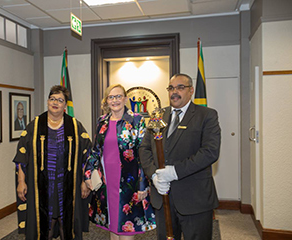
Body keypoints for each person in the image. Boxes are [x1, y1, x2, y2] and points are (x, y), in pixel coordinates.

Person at [139, 73, 221, 240]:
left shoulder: (207, 115)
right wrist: (154, 174)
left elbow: (210, 152)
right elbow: (145, 148)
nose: (174, 92)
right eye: (171, 88)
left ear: (191, 91)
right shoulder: (158, 116)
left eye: (180, 87)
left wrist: (175, 172)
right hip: (163, 197)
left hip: (195, 198)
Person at [13, 85, 92, 240]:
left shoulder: (75, 126)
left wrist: (85, 181)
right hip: (41, 185)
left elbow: (88, 156)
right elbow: (22, 157)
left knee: (65, 222)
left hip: (68, 184)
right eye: (52, 99)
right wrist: (21, 182)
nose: (55, 102)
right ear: (47, 101)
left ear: (65, 105)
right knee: (45, 224)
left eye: (60, 100)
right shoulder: (34, 126)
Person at [84, 84, 156, 240]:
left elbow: (143, 154)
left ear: (125, 99)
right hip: (107, 182)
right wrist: (88, 174)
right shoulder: (101, 121)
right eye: (111, 97)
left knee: (126, 228)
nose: (115, 100)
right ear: (106, 100)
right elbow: (95, 150)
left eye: (118, 96)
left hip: (129, 182)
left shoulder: (137, 120)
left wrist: (143, 185)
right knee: (112, 226)